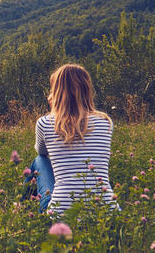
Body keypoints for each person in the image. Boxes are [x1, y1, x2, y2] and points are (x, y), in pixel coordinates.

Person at [28, 64, 119, 214]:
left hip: (61, 212)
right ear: (86, 90)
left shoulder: (45, 123)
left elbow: (41, 151)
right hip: (107, 211)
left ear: (56, 92)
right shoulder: (106, 121)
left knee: (38, 160)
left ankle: (24, 208)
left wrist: (54, 111)